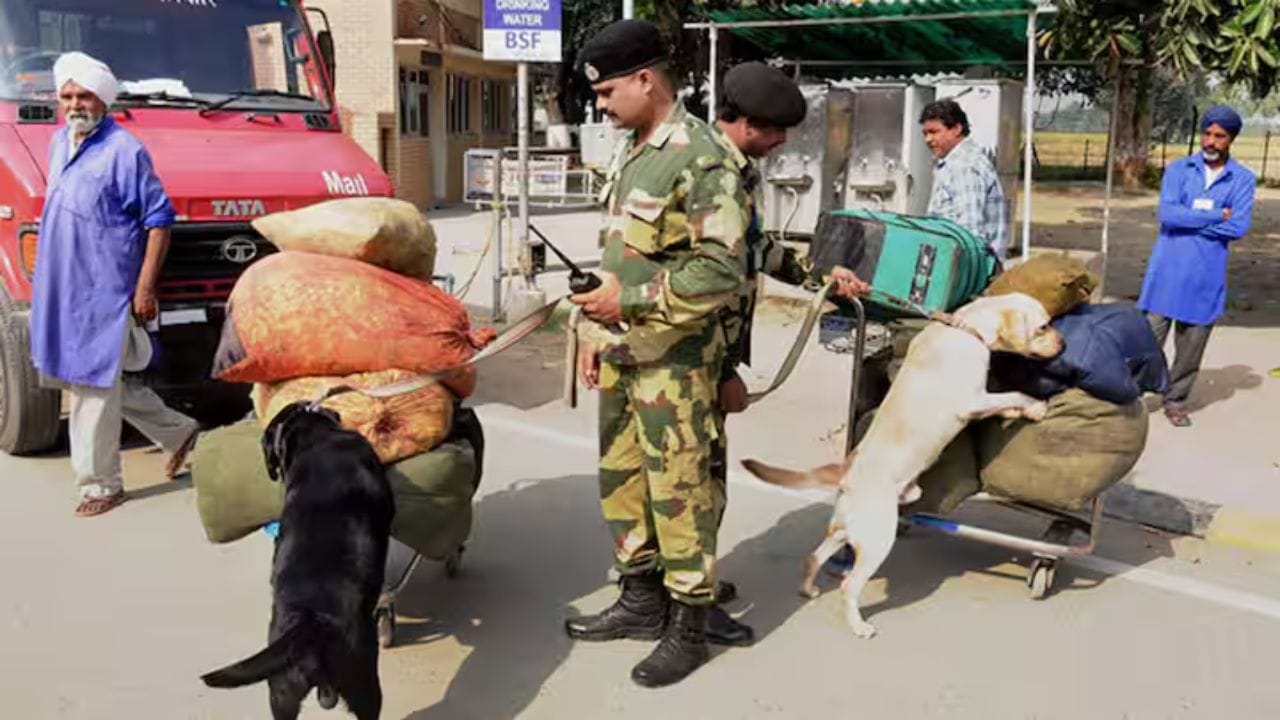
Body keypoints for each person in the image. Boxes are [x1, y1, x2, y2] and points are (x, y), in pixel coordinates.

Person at [564, 19, 751, 688]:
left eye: (610, 91)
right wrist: (593, 326)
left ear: (647, 80)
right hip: (623, 350)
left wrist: (629, 298)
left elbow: (721, 271)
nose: (602, 105)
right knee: (623, 482)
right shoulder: (635, 148)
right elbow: (621, 252)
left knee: (680, 491)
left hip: (675, 361)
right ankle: (641, 601)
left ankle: (690, 624)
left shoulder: (700, 155)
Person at [708, 61, 871, 629]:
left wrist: (823, 275)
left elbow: (759, 251)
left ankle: (688, 581)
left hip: (713, 355)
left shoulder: (739, 172)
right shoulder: (705, 170)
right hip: (693, 355)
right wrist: (723, 367)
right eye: (774, 131)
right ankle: (678, 599)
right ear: (746, 121)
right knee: (689, 486)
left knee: (701, 478)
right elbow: (704, 282)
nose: (780, 143)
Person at [29, 52, 199, 517]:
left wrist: (145, 288)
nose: (75, 103)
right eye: (67, 95)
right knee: (98, 379)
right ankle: (181, 434)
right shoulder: (59, 142)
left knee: (91, 385)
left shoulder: (125, 151)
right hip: (63, 287)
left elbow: (159, 220)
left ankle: (101, 484)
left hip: (105, 292)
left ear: (103, 100)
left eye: (84, 95)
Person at [1137, 104, 1256, 427]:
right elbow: (1168, 216)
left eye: (1220, 136)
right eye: (1207, 133)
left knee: (1191, 347)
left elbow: (1239, 227)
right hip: (1167, 271)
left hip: (1205, 275)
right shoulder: (1178, 170)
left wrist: (1191, 218)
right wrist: (1218, 214)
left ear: (1230, 139)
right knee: (1147, 341)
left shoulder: (1242, 179)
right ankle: (1129, 401)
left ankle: (1175, 400)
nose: (1211, 141)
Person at [920, 98, 1008, 260]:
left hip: (966, 268)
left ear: (956, 129)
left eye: (934, 132)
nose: (928, 140)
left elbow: (970, 234)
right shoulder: (952, 163)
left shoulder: (964, 166)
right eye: (925, 133)